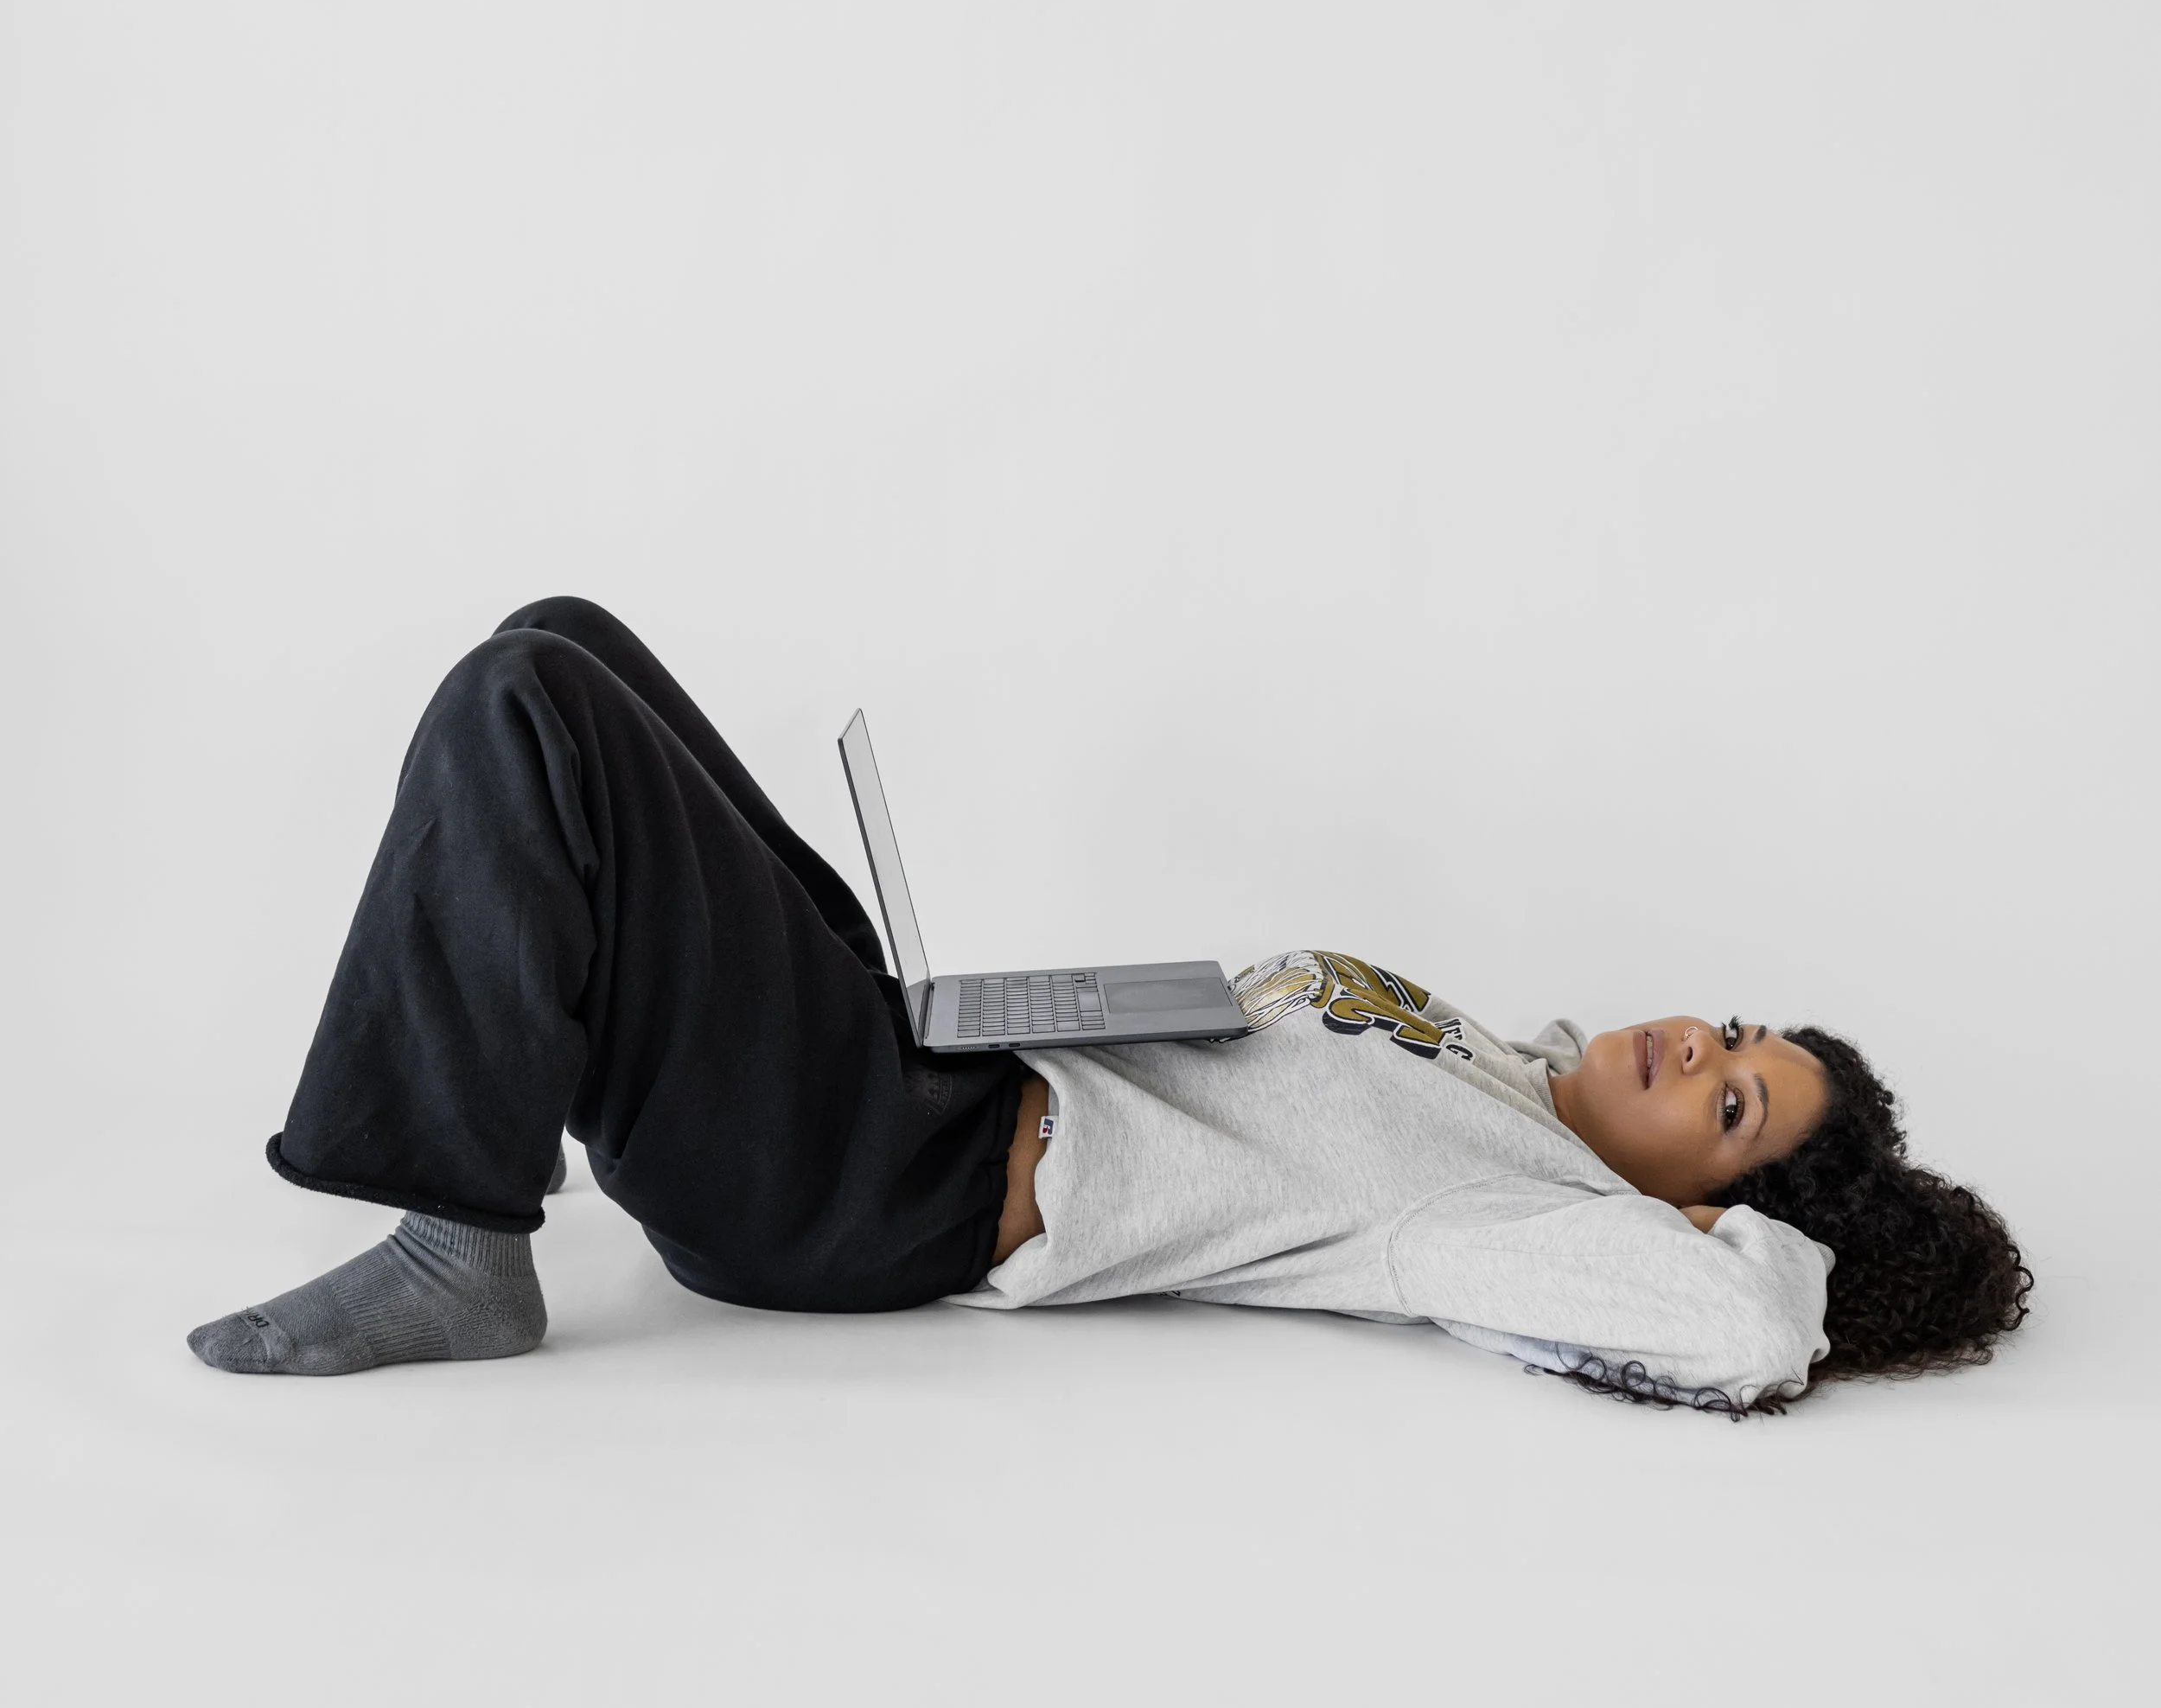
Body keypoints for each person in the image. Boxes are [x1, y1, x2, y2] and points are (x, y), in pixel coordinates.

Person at [186, 599, 2031, 1414]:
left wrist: (1729, 1238)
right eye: (1733, 1035)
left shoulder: (1505, 1217)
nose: (1698, 1052)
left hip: (868, 1183)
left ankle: (462, 1245)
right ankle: (511, 1103)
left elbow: (1741, 1330)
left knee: (519, 702)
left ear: (1695, 1201)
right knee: (567, 632)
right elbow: (1563, 1064)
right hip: (914, 1065)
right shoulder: (1516, 1073)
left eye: (1728, 1107)